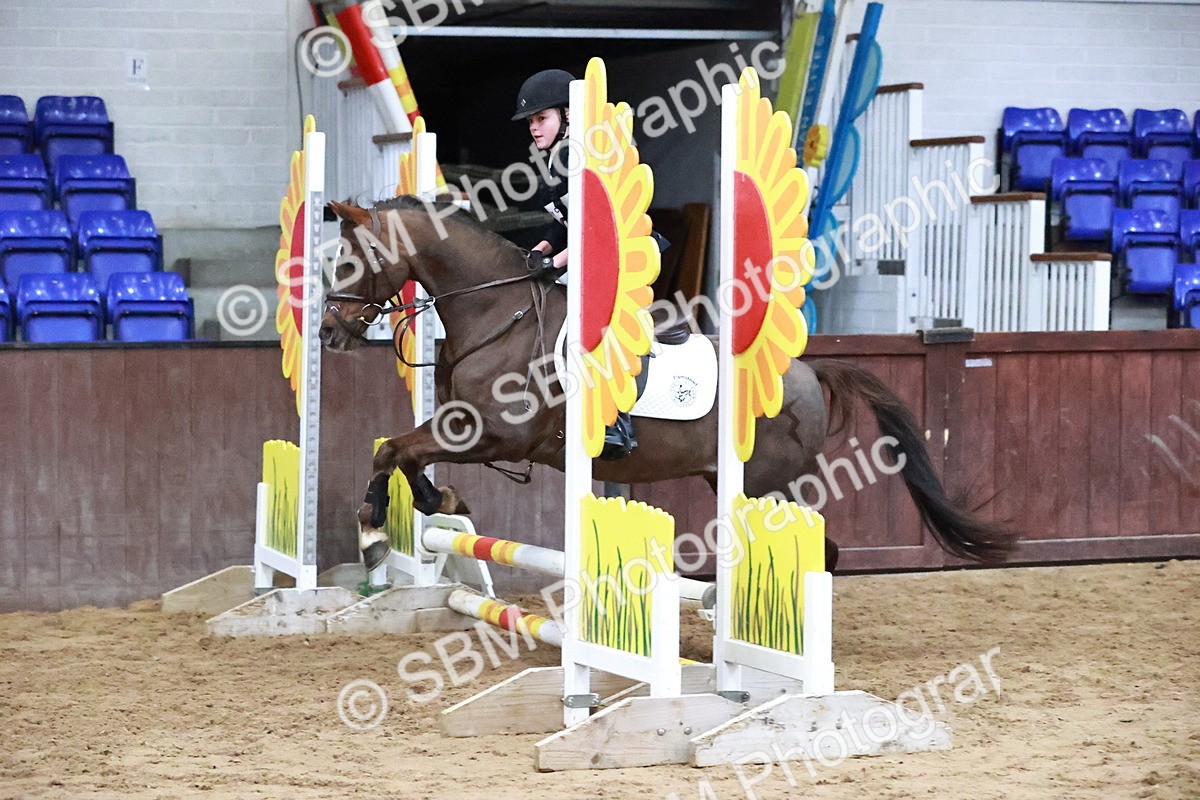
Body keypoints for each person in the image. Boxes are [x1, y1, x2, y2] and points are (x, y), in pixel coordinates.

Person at [513, 68, 637, 461]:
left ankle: (617, 420)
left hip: (619, 255)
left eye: (541, 119)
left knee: (592, 325)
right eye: (531, 122)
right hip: (586, 254)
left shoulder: (578, 152)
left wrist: (554, 261)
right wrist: (541, 248)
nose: (534, 128)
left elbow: (589, 226)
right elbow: (563, 221)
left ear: (567, 115)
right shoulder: (556, 156)